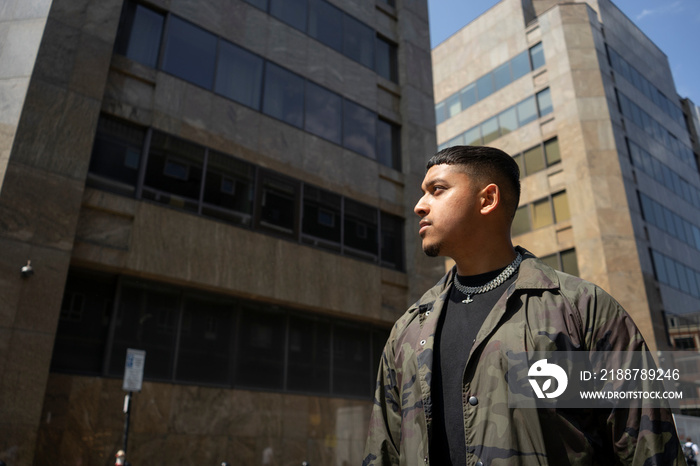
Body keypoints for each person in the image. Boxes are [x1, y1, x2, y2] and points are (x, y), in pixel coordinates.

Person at [363, 146, 683, 465]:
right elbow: (383, 451)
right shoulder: (409, 328)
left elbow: (649, 448)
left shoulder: (580, 309)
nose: (420, 206)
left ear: (487, 199)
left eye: (437, 190)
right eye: (423, 193)